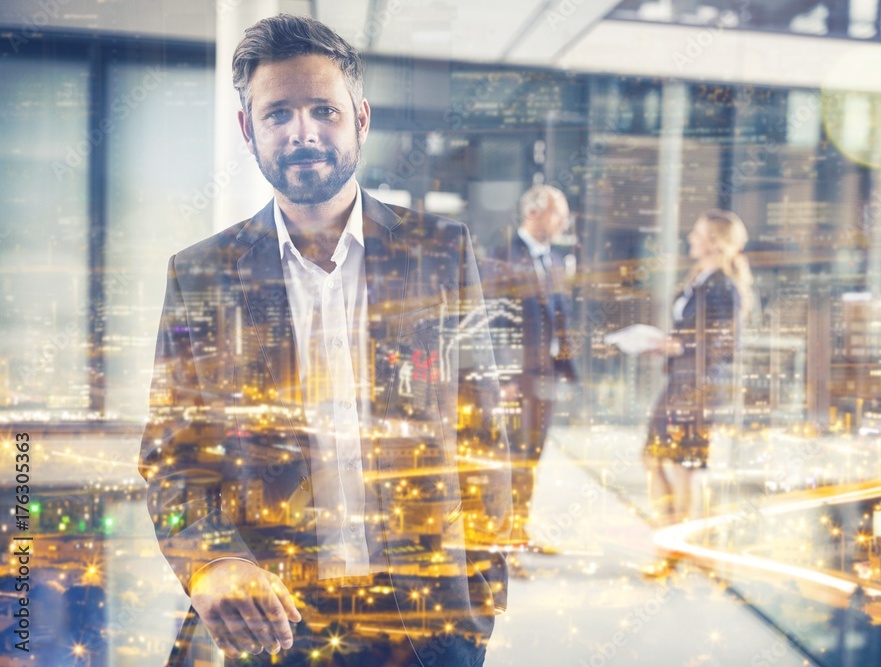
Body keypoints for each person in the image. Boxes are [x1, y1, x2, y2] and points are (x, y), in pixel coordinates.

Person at [138, 15, 511, 667]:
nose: (302, 131)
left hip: (430, 619)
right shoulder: (201, 273)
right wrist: (211, 563)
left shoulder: (440, 250)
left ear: (360, 119)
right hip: (275, 621)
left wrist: (480, 594)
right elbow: (175, 456)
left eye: (323, 110)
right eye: (278, 112)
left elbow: (480, 424)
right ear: (248, 128)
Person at [642, 209, 752, 525]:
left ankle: (673, 542)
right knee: (654, 457)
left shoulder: (723, 285)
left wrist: (680, 345)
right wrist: (670, 345)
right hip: (681, 381)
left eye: (698, 234)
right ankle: (670, 534)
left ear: (716, 243)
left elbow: (728, 343)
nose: (691, 237)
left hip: (698, 387)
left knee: (683, 466)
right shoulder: (700, 279)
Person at [488, 185, 577, 546]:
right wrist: (503, 377)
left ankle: (519, 530)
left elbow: (560, 317)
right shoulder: (503, 256)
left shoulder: (554, 260)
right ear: (534, 213)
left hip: (546, 376)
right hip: (516, 378)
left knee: (532, 455)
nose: (564, 222)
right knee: (511, 457)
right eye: (559, 214)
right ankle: (501, 538)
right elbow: (495, 320)